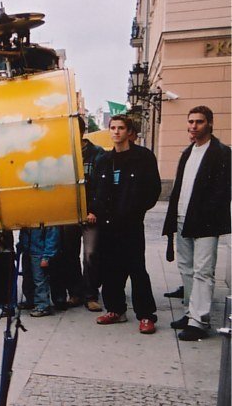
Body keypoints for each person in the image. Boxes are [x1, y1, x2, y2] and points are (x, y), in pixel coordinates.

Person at [162, 105, 231, 341]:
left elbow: (223, 191)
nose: (193, 126)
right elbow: (179, 188)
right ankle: (190, 312)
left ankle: (199, 320)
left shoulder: (221, 153)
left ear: (209, 124)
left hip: (206, 222)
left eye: (199, 122)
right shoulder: (187, 152)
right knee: (187, 268)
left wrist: (207, 213)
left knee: (203, 271)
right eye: (190, 122)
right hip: (182, 218)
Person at [92, 115, 161, 334]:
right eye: (112, 128)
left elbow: (153, 190)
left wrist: (136, 210)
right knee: (110, 269)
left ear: (129, 131)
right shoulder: (104, 160)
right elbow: (97, 190)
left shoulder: (143, 157)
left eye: (121, 128)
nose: (116, 132)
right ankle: (115, 309)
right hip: (108, 224)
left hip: (130, 224)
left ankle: (146, 315)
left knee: (137, 269)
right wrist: (96, 210)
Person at [80, 128, 107, 312]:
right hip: (69, 211)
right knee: (66, 253)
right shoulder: (63, 152)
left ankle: (90, 294)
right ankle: (75, 291)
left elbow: (102, 186)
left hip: (90, 212)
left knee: (91, 253)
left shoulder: (98, 154)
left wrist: (94, 209)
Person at [18, 226, 60, 317]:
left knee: (39, 280)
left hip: (39, 252)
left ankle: (43, 305)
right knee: (28, 277)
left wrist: (47, 256)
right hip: (28, 250)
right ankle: (31, 300)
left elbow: (52, 237)